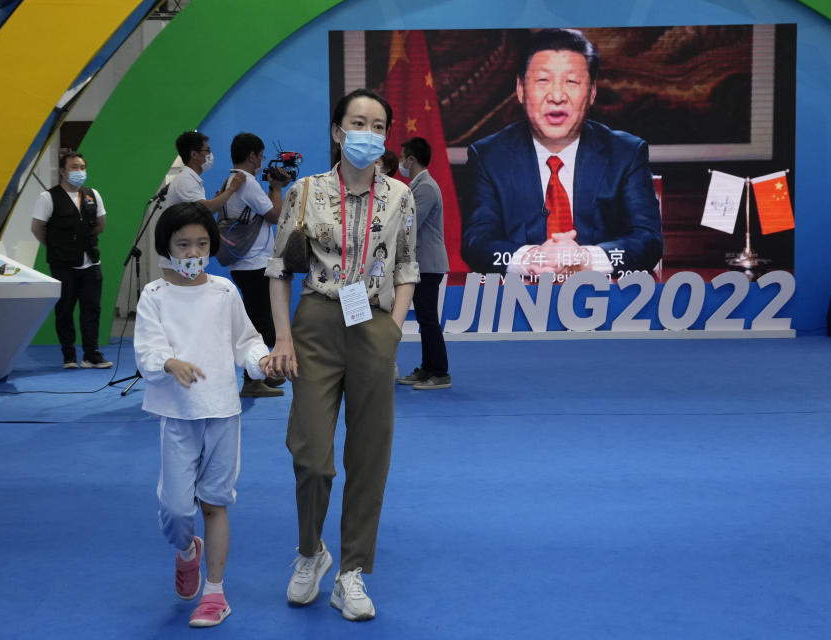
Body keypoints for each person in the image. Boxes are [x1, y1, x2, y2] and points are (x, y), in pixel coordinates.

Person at [265, 88, 418, 622]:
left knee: (370, 454)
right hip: (315, 325)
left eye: (378, 126)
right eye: (358, 123)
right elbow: (280, 271)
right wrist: (282, 338)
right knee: (311, 453)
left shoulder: (401, 196)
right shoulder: (304, 193)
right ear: (336, 131)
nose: (368, 134)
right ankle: (312, 551)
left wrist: (393, 331)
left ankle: (351, 571)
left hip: (373, 326)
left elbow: (406, 268)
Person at [133, 202, 271, 628]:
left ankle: (214, 592)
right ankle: (186, 550)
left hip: (222, 412)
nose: (193, 251)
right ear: (167, 248)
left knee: (215, 503)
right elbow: (147, 350)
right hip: (177, 414)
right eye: (183, 243)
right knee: (176, 510)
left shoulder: (224, 291)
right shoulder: (154, 296)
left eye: (202, 243)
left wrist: (261, 360)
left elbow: (245, 339)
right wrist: (169, 363)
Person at [461, 28, 662, 277]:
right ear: (521, 89)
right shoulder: (489, 157)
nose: (557, 96)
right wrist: (532, 258)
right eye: (543, 80)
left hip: (606, 303)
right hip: (517, 304)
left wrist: (584, 259)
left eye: (572, 82)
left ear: (592, 92)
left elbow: (648, 241)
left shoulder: (626, 153)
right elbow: (476, 243)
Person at [223, 132, 292, 398]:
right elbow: (275, 215)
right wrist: (277, 188)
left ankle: (263, 375)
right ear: (252, 156)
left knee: (260, 319)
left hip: (246, 263)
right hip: (253, 264)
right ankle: (254, 379)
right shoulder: (247, 182)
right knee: (262, 323)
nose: (263, 161)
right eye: (262, 156)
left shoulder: (234, 180)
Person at [31, 151, 113, 369]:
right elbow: (37, 229)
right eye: (74, 167)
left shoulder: (92, 195)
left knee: (91, 309)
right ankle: (69, 355)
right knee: (65, 309)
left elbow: (100, 225)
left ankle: (91, 354)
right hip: (63, 264)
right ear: (62, 171)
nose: (80, 172)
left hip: (91, 263)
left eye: (82, 167)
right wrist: (57, 246)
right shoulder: (48, 198)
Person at [396, 137, 451, 390]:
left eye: (402, 156)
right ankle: (428, 367)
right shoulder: (417, 186)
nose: (400, 162)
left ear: (411, 160)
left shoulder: (426, 188)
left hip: (428, 263)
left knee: (428, 319)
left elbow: (410, 225)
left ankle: (440, 372)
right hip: (421, 264)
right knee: (424, 318)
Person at [165, 131, 245, 209]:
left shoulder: (190, 178)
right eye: (207, 150)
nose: (210, 154)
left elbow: (203, 214)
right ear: (194, 155)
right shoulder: (185, 180)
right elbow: (206, 209)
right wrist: (232, 188)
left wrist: (217, 200)